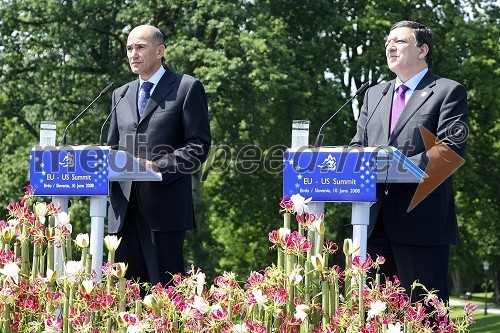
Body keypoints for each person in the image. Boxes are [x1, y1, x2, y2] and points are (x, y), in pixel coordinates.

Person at [350, 21, 468, 302]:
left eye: (400, 41)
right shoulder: (373, 94)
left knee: (423, 317)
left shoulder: (447, 92)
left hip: (421, 224)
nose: (390, 46)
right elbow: (358, 146)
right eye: (388, 41)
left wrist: (396, 165)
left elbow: (449, 150)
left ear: (422, 49)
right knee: (376, 317)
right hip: (372, 224)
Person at [106, 25, 211, 286]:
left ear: (160, 51)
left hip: (164, 212)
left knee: (165, 296)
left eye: (140, 47)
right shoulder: (121, 94)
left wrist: (159, 166)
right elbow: (112, 149)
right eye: (129, 48)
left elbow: (198, 145)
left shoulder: (186, 87)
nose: (133, 54)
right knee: (124, 296)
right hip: (123, 214)